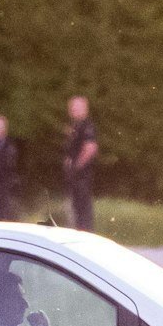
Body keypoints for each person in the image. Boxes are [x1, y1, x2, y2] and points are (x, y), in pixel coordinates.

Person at [63, 95, 98, 232]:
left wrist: (76, 166)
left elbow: (90, 148)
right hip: (75, 176)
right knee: (77, 208)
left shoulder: (86, 126)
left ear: (85, 109)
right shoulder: (75, 126)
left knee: (83, 209)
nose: (73, 110)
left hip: (82, 175)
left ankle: (86, 235)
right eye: (72, 108)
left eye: (77, 108)